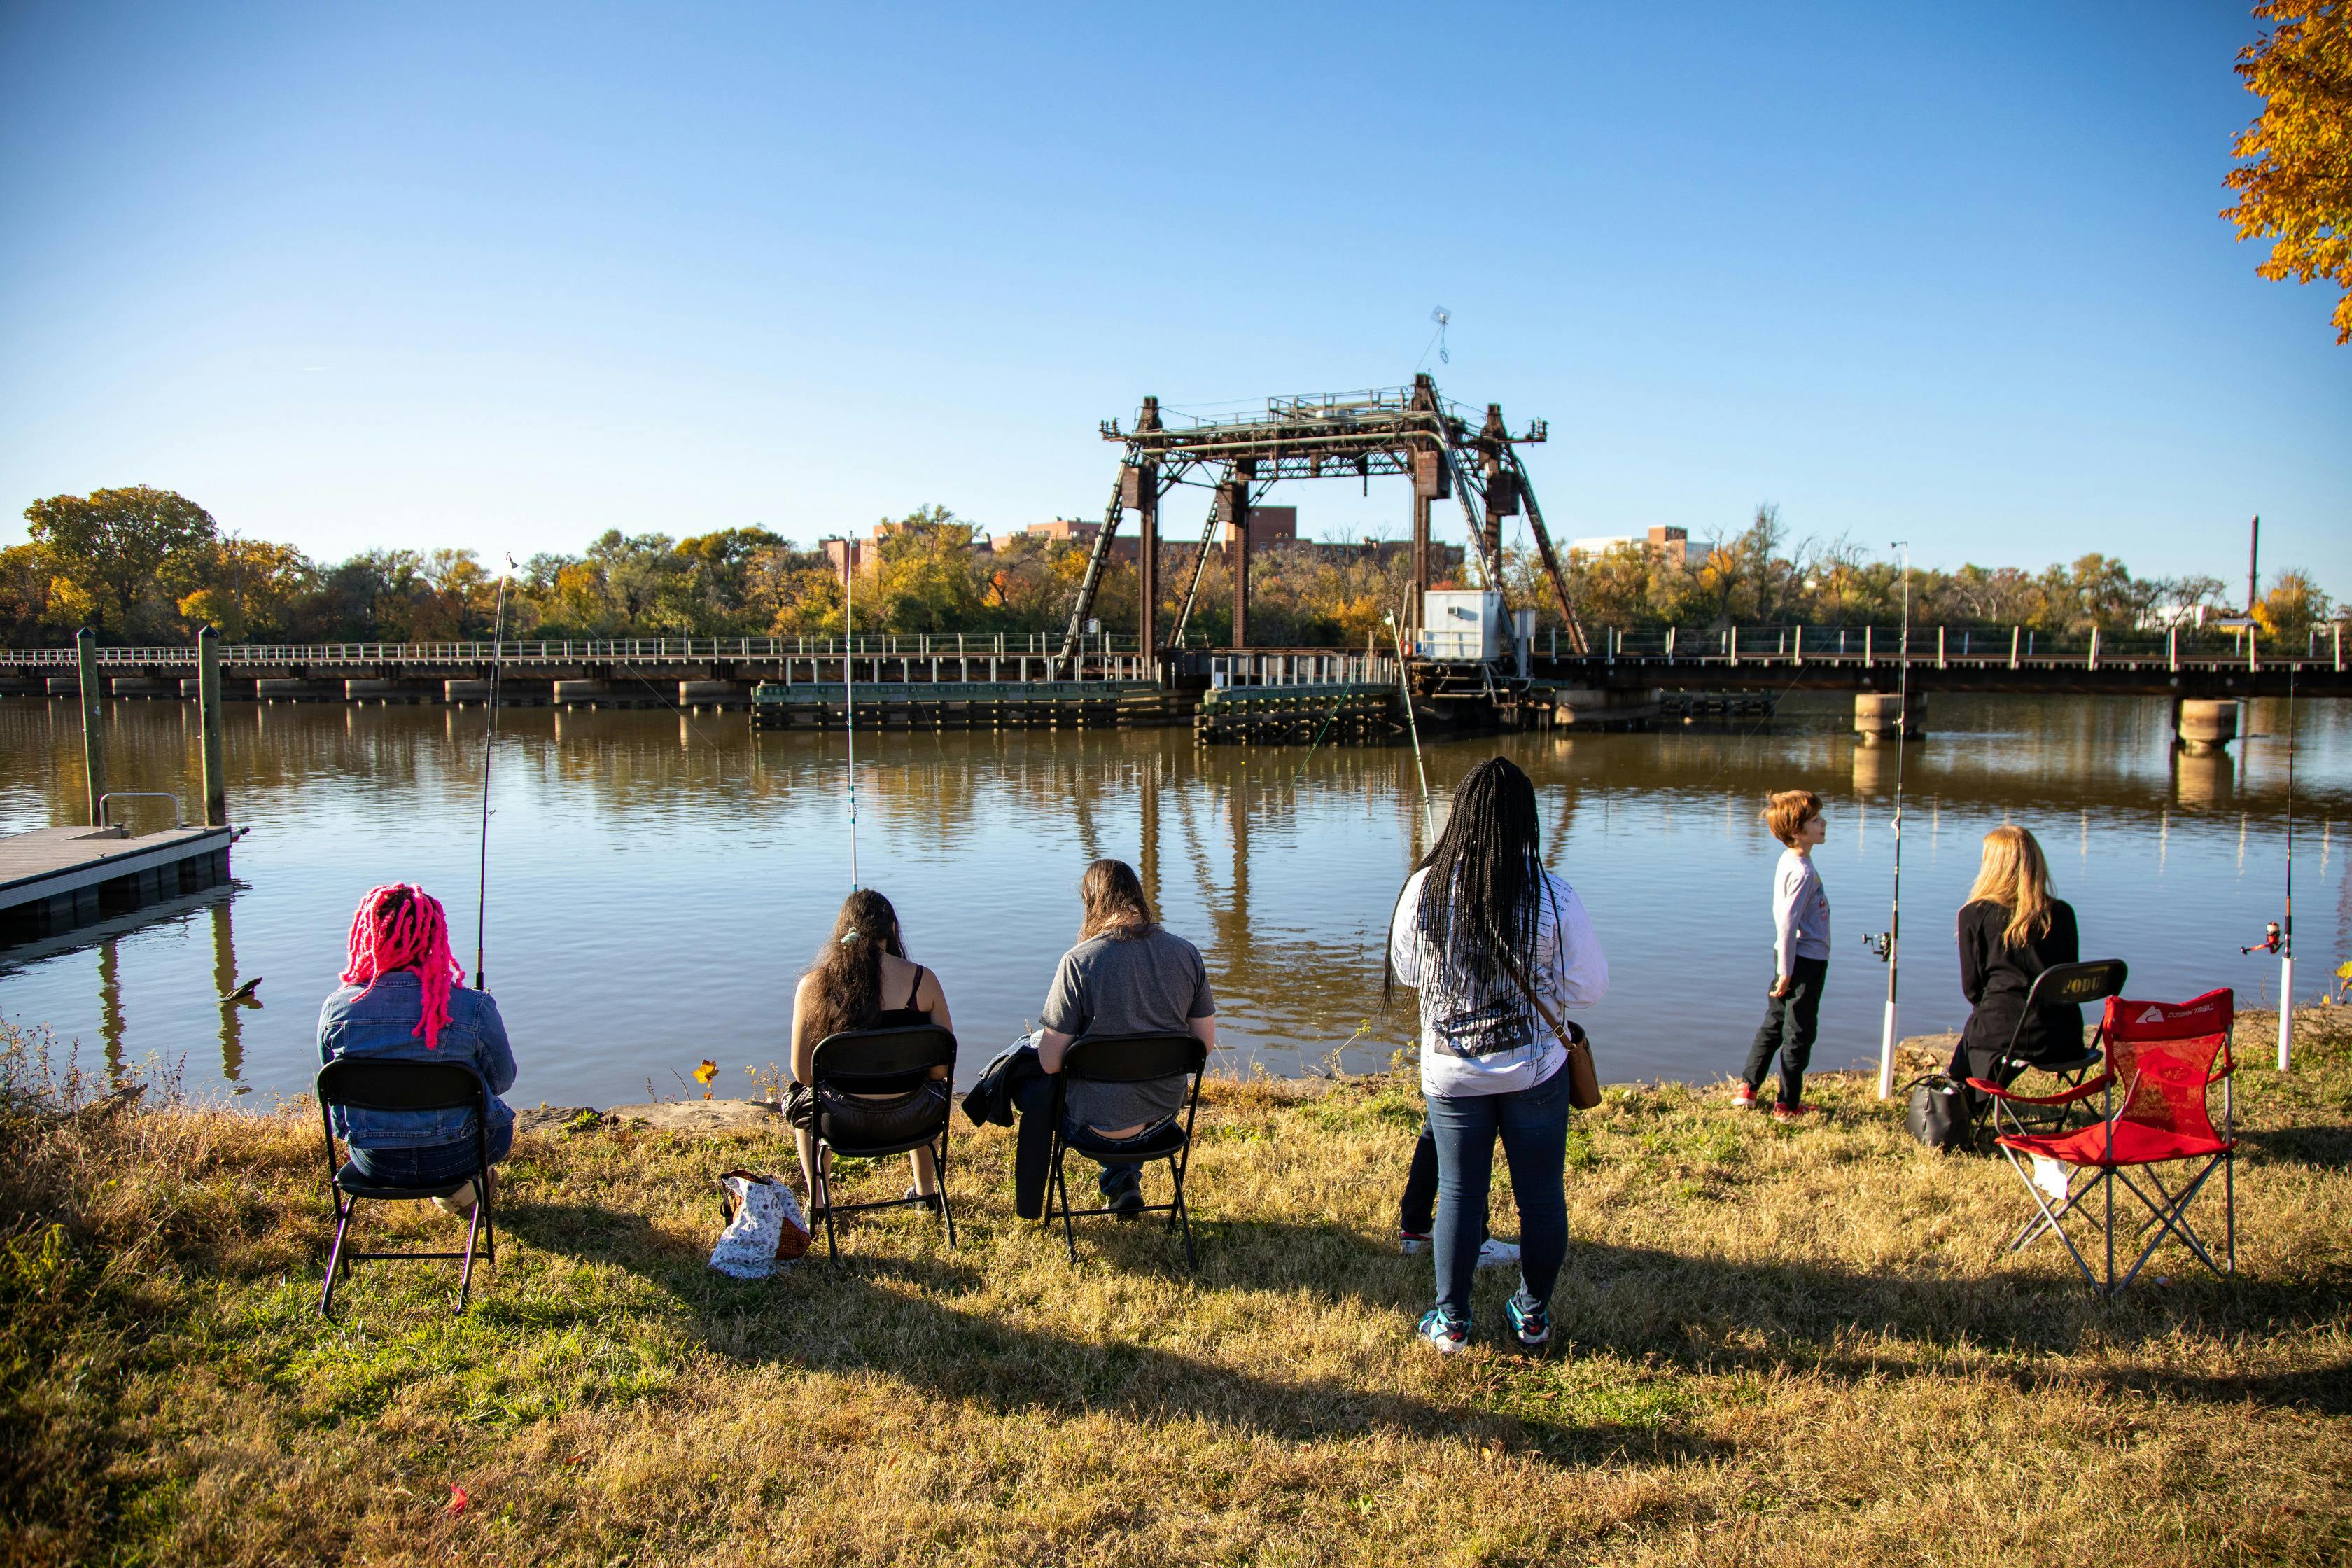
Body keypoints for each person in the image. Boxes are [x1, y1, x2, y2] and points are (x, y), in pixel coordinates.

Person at [1388, 757, 1607, 1354]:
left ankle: (1451, 1320)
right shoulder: (1553, 893)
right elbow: (1590, 986)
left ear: (1461, 816)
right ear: (1526, 821)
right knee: (1541, 1195)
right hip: (1536, 1071)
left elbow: (1409, 972)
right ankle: (1532, 1315)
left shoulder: (1423, 888)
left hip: (1453, 1073)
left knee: (1460, 1191)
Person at [1023, 858, 1217, 1218]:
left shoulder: (1079, 962)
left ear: (1091, 902)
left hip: (1094, 1130)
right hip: (1162, 1121)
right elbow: (1202, 1047)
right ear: (1137, 898)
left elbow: (1051, 1062)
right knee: (1126, 1075)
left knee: (1031, 1081)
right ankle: (1123, 1182)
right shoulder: (1187, 954)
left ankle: (1033, 1201)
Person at [317, 883, 515, 1212]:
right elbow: (501, 1082)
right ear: (434, 935)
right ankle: (465, 1193)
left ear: (368, 934)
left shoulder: (338, 1009)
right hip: (459, 1156)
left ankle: (461, 1194)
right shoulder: (474, 1007)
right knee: (493, 1119)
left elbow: (333, 1092)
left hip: (375, 1163)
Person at [789, 890, 953, 1211]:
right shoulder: (923, 981)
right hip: (914, 1118)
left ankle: (820, 1204)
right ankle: (925, 1193)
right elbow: (942, 1069)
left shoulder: (813, 986)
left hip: (840, 1122)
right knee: (932, 1085)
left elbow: (804, 1074)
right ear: (892, 928)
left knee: (799, 1094)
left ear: (843, 931)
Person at [1950, 825, 2083, 1102]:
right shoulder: (2063, 913)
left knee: (1976, 1039)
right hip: (2062, 1037)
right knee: (1991, 1028)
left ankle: (1965, 1103)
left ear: (1992, 866)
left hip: (2002, 1034)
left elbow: (1973, 990)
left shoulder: (1974, 915)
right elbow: (2069, 978)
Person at [1733, 789, 1830, 1123]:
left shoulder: (1790, 860)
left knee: (1774, 1024)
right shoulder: (1802, 871)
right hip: (1803, 962)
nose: (1824, 823)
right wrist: (1788, 972)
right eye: (1816, 820)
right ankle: (1788, 1105)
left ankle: (1749, 1087)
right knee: (1799, 1032)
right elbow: (1788, 922)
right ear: (1797, 831)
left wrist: (1783, 966)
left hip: (1787, 959)